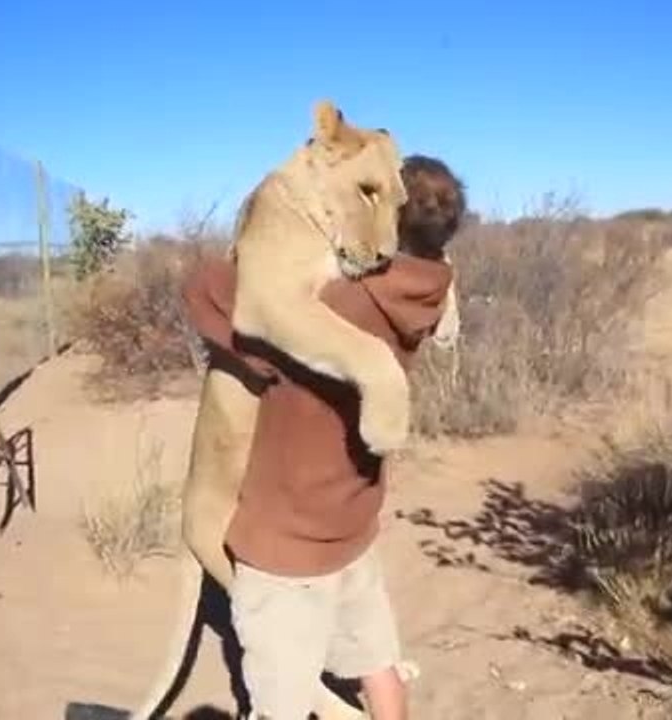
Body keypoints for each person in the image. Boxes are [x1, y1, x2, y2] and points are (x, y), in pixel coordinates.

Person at [182, 155, 466, 720]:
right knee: (376, 662)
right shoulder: (430, 287)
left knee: (277, 700)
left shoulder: (338, 310)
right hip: (353, 523)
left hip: (287, 541)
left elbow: (210, 295)